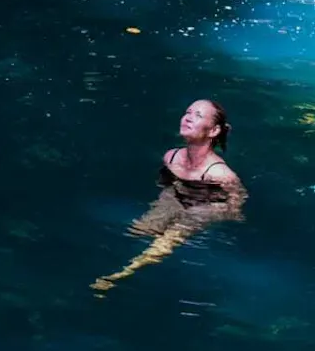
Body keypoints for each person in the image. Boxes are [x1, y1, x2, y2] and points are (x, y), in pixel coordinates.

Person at [91, 99, 246, 292]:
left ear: (213, 131)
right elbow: (165, 184)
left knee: (166, 241)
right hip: (176, 195)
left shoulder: (221, 174)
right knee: (140, 230)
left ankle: (119, 276)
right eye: (187, 112)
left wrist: (215, 212)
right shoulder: (171, 157)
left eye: (198, 115)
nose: (188, 118)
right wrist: (166, 204)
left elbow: (236, 204)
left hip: (206, 205)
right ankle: (103, 264)